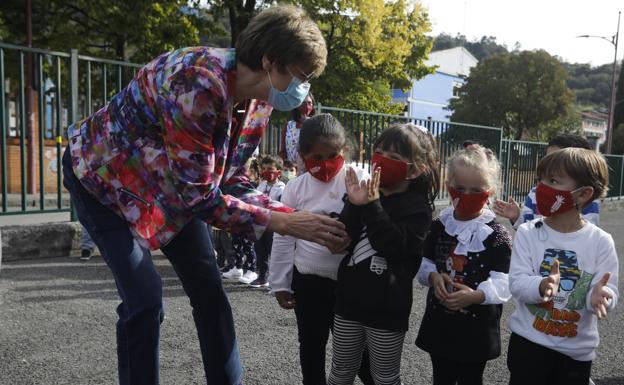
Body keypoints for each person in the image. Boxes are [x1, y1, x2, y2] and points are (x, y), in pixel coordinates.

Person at [61, 6, 348, 385]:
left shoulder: (257, 102)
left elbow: (231, 178)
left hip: (168, 187)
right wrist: (285, 222)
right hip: (102, 178)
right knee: (145, 300)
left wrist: (293, 214)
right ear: (269, 61)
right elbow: (200, 199)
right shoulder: (197, 81)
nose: (303, 88)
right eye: (301, 76)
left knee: (210, 293)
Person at [327, 124, 439, 385]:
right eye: (379, 152)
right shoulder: (363, 194)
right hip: (348, 303)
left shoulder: (418, 208)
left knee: (385, 377)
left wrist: (372, 204)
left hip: (387, 311)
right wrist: (353, 206)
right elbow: (343, 239)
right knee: (340, 371)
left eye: (395, 157)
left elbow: (393, 245)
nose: (382, 160)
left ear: (415, 169)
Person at [269, 114, 374, 385]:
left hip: (350, 282)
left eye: (333, 155)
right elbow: (283, 237)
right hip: (309, 281)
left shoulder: (360, 178)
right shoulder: (295, 187)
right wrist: (280, 282)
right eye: (317, 157)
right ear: (302, 156)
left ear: (345, 152)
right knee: (312, 346)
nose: (325, 164)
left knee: (357, 352)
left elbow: (376, 224)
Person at [507, 147, 619, 385]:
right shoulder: (528, 232)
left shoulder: (600, 242)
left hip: (575, 353)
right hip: (528, 344)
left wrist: (601, 296)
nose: (540, 187)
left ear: (583, 194)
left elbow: (609, 291)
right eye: (541, 179)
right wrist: (541, 285)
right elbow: (516, 282)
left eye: (553, 180)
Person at [414, 144, 513, 385]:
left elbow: (504, 282)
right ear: (449, 188)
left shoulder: (496, 235)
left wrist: (476, 296)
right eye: (460, 188)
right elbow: (423, 264)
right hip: (441, 324)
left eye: (476, 190)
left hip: (476, 329)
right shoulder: (439, 226)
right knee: (441, 377)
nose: (467, 195)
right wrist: (433, 277)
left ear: (489, 193)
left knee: (470, 378)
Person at [493, 134, 600, 228]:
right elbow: (527, 228)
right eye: (548, 159)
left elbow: (587, 235)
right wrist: (517, 217)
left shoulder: (587, 200)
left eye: (557, 161)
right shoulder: (535, 194)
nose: (549, 165)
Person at [248, 155, 286, 288]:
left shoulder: (281, 188)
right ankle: (262, 277)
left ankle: (277, 281)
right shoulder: (261, 185)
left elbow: (280, 206)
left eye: (270, 169)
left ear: (278, 172)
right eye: (263, 168)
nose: (266, 171)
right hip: (260, 224)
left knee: (274, 252)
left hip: (273, 225)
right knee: (260, 251)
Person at [279, 92, 315, 170]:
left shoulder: (316, 124)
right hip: (291, 169)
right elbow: (283, 150)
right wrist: (287, 164)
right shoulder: (288, 126)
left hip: (310, 169)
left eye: (309, 103)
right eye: (303, 103)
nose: (307, 106)